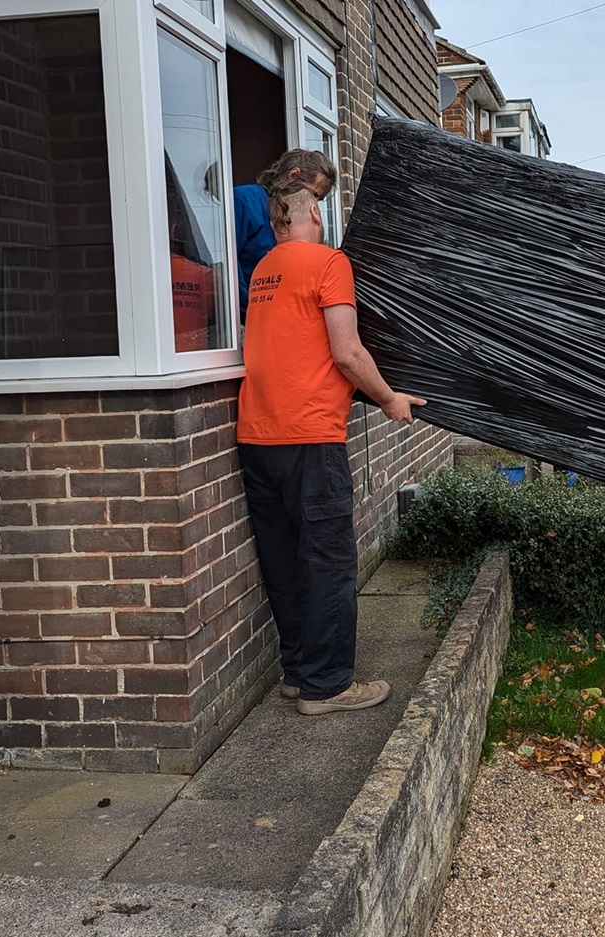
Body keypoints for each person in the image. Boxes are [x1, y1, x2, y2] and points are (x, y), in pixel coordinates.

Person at [237, 178, 426, 716]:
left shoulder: (260, 273)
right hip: (310, 436)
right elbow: (346, 351)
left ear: (275, 223)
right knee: (327, 560)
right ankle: (328, 687)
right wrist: (389, 398)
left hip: (256, 436)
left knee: (283, 561)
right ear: (314, 217)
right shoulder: (328, 263)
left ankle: (299, 674)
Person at [233, 150, 337, 318]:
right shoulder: (246, 199)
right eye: (314, 195)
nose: (313, 204)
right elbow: (228, 265)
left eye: (319, 201)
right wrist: (248, 314)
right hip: (246, 318)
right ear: (293, 175)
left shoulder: (293, 222)